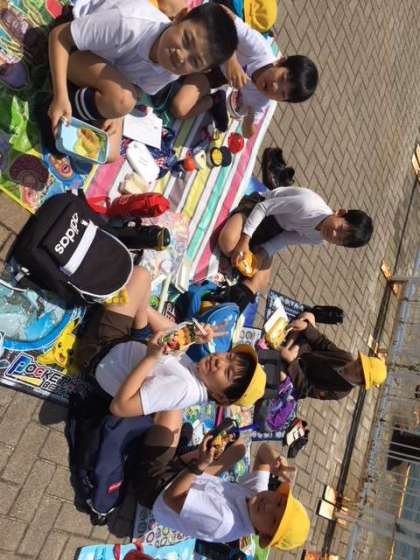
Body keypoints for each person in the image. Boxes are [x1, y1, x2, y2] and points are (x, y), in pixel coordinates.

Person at [73, 266, 266, 456]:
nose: (220, 362)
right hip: (126, 345)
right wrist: (192, 335)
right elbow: (171, 347)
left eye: (227, 373)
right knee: (144, 280)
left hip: (98, 354)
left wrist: (150, 358)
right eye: (229, 357)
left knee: (138, 276)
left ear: (221, 398)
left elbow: (119, 407)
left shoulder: (183, 388)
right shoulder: (199, 375)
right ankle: (134, 306)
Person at [47, 0, 239, 161]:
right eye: (186, 39)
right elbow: (60, 36)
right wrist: (60, 96)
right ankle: (61, 108)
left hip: (102, 68)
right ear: (180, 17)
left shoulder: (172, 70)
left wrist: (117, 115)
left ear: (201, 70)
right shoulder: (129, 23)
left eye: (194, 61)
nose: (181, 56)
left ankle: (69, 118)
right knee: (122, 99)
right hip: (74, 47)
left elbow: (137, 88)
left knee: (109, 152)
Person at [135, 435, 310, 551]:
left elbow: (171, 498)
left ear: (264, 535)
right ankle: (180, 454)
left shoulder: (224, 522)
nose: (269, 506)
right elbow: (263, 452)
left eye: (273, 520)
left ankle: (174, 455)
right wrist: (276, 461)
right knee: (239, 447)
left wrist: (200, 465)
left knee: (171, 413)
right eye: (279, 503)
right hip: (185, 477)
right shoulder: (257, 498)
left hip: (157, 490)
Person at [169, 1, 318, 135]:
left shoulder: (263, 101)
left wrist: (249, 119)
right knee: (172, 50)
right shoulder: (259, 48)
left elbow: (247, 133)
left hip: (216, 75)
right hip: (212, 48)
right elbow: (221, 10)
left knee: (179, 109)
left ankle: (215, 99)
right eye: (281, 78)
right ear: (280, 62)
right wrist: (231, 58)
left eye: (282, 93)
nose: (274, 87)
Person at [217, 186, 374, 309]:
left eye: (339, 240)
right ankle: (238, 250)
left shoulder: (319, 239)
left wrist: (262, 255)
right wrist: (245, 240)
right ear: (340, 213)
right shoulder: (307, 205)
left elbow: (285, 239)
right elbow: (263, 207)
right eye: (339, 228)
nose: (333, 234)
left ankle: (231, 304)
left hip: (273, 230)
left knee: (261, 281)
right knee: (228, 244)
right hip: (257, 208)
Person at [273, 312, 387, 400]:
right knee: (308, 316)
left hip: (298, 376)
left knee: (281, 374)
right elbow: (322, 342)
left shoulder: (339, 392)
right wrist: (306, 327)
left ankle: (280, 348)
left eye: (358, 373)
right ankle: (284, 347)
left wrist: (292, 362)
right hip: (304, 353)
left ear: (360, 383)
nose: (354, 367)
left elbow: (306, 387)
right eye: (359, 363)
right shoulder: (346, 357)